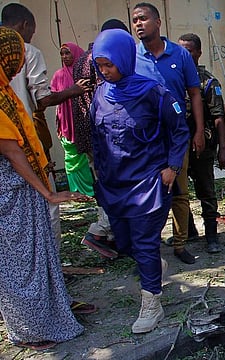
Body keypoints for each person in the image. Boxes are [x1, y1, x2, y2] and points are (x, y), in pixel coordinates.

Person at [91, 28, 189, 334]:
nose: (105, 71)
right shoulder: (100, 94)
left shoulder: (154, 93)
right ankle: (152, 268)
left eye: (109, 64)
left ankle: (152, 304)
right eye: (100, 65)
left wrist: (172, 166)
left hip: (148, 182)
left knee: (145, 243)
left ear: (124, 58)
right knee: (124, 242)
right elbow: (96, 136)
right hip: (114, 184)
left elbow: (179, 130)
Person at [0, 26, 88, 351]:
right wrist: (48, 192)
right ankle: (29, 330)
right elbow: (12, 151)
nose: (19, 64)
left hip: (21, 189)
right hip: (11, 192)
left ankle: (46, 316)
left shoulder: (5, 93)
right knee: (19, 263)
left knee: (34, 256)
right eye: (16, 58)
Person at [2, 3, 90, 246]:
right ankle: (50, 261)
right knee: (45, 201)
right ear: (25, 26)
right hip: (24, 144)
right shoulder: (27, 52)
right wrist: (74, 91)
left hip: (23, 144)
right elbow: (41, 100)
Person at [132, 2, 205, 264]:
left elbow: (194, 94)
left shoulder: (180, 55)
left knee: (180, 192)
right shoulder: (132, 56)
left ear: (158, 22)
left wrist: (197, 131)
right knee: (147, 195)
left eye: (143, 18)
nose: (139, 24)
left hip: (177, 136)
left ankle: (180, 244)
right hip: (146, 139)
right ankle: (148, 250)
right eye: (135, 20)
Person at [75, 19, 130, 260]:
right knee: (111, 188)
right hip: (104, 140)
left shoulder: (81, 60)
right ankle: (100, 232)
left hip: (90, 138)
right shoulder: (101, 62)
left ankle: (112, 236)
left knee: (103, 186)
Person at [178, 33, 225, 253]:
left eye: (189, 50)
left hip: (203, 146)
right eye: (181, 50)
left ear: (198, 53)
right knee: (180, 192)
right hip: (179, 147)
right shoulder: (174, 78)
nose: (185, 55)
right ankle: (188, 232)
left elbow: (219, 116)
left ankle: (211, 235)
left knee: (206, 191)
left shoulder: (208, 82)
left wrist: (223, 150)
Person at [51, 42, 95, 197]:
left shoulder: (84, 71)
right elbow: (53, 98)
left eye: (68, 53)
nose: (65, 57)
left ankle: (89, 189)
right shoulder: (58, 75)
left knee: (88, 155)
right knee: (71, 157)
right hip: (66, 122)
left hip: (82, 120)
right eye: (62, 54)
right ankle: (75, 190)